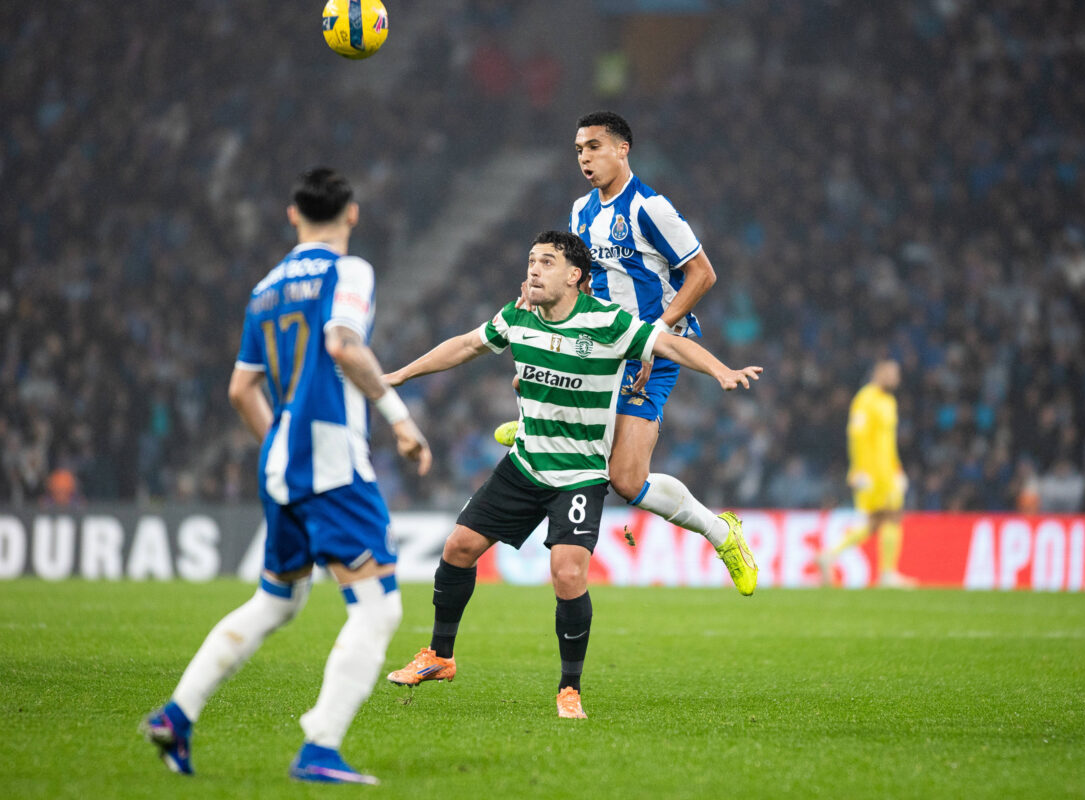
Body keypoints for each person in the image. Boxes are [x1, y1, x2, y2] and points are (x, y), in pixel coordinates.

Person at [385, 231, 761, 719]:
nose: (533, 269)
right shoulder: (517, 315)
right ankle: (439, 656)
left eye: (546, 262)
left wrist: (721, 370)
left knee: (567, 573)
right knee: (458, 547)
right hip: (525, 465)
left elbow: (670, 344)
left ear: (575, 276)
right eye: (531, 260)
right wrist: (399, 375)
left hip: (579, 474)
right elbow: (464, 345)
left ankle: (570, 689)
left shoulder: (606, 322)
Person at [140, 168, 432, 785]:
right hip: (330, 459)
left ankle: (177, 715)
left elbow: (240, 389)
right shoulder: (348, 271)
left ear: (292, 214)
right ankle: (320, 747)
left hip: (280, 461)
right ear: (352, 214)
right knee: (378, 608)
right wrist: (400, 420)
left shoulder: (265, 289)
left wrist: (281, 442)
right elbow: (344, 344)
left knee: (278, 600)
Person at [495, 110, 759, 596]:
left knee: (626, 480)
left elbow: (703, 274)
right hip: (602, 343)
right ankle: (541, 427)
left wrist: (656, 334)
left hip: (651, 347)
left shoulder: (650, 209)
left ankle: (722, 534)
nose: (585, 158)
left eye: (594, 147)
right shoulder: (580, 211)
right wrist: (539, 293)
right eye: (579, 150)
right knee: (525, 368)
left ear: (622, 149)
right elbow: (579, 280)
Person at [818, 360, 916, 588]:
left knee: (875, 522)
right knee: (891, 516)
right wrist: (858, 470)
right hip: (872, 473)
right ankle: (887, 573)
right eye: (891, 373)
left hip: (888, 471)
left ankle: (829, 555)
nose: (896, 378)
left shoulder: (889, 401)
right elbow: (857, 436)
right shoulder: (865, 399)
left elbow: (888, 442)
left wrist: (897, 468)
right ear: (879, 373)